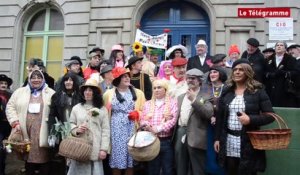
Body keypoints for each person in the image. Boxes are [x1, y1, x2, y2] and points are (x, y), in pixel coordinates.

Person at [214, 59, 275, 175]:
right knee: (230, 170)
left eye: (241, 70)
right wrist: (217, 138)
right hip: (228, 141)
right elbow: (220, 118)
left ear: (248, 72)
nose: (237, 72)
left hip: (248, 143)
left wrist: (250, 119)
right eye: (235, 70)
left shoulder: (257, 91)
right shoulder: (227, 91)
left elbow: (270, 116)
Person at [6, 69, 55, 175]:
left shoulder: (50, 93)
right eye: (33, 77)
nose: (36, 80)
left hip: (43, 130)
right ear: (29, 79)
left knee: (44, 157)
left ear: (43, 79)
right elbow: (10, 107)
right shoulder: (20, 92)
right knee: (28, 156)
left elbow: (56, 109)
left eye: (39, 77)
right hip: (25, 129)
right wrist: (15, 122)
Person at [103, 67, 145, 175]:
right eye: (124, 76)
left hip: (131, 128)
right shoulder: (108, 94)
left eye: (128, 76)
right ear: (118, 79)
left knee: (130, 157)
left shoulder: (138, 93)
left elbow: (145, 111)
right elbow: (104, 112)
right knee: (117, 158)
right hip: (115, 129)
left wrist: (138, 114)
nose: (127, 78)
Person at [174, 68, 214, 175]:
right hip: (181, 132)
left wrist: (194, 100)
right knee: (180, 165)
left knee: (197, 168)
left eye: (193, 78)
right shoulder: (180, 97)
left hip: (197, 135)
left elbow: (208, 113)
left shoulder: (206, 96)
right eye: (188, 78)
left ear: (200, 80)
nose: (190, 80)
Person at [67, 79, 110, 175]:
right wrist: (77, 130)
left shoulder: (102, 109)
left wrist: (103, 149)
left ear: (95, 93)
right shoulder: (76, 108)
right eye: (85, 90)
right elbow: (71, 123)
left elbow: (105, 130)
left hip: (95, 148)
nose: (87, 92)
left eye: (90, 90)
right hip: (79, 148)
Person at [140, 79, 178, 175]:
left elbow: (174, 119)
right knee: (153, 169)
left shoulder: (173, 102)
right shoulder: (147, 104)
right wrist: (148, 126)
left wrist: (157, 129)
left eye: (159, 87)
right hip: (151, 141)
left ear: (165, 89)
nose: (156, 90)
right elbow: (143, 119)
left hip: (166, 141)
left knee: (168, 169)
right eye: (155, 88)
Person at [48, 73, 81, 174]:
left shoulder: (80, 96)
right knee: (62, 158)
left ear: (75, 82)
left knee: (76, 157)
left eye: (71, 80)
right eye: (66, 80)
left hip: (77, 131)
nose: (68, 82)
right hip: (61, 131)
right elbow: (52, 115)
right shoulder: (56, 96)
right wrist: (52, 133)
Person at [205, 66, 227, 175]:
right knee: (210, 150)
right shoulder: (205, 88)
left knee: (222, 149)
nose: (212, 74)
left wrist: (218, 117)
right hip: (209, 124)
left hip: (223, 124)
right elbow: (201, 102)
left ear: (221, 74)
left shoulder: (228, 88)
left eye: (215, 72)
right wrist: (210, 116)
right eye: (211, 72)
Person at [264, 41, 297, 107]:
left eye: (281, 45)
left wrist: (284, 73)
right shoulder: (268, 59)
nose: (279, 46)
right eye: (277, 45)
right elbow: (264, 72)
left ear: (285, 49)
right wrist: (269, 74)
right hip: (270, 88)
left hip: (284, 89)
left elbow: (295, 73)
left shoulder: (291, 59)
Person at [0, 74, 13, 175]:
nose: (3, 85)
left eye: (5, 83)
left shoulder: (10, 96)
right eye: (1, 83)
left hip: (7, 126)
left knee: (5, 149)